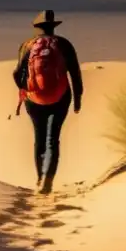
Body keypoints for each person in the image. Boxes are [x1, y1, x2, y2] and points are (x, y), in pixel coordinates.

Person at [13, 10, 83, 194]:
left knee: (39, 139)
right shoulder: (63, 44)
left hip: (33, 99)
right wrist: (77, 100)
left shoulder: (27, 45)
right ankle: (48, 180)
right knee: (53, 139)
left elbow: (16, 73)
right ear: (53, 27)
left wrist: (24, 90)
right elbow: (75, 74)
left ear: (37, 27)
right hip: (60, 98)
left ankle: (39, 178)